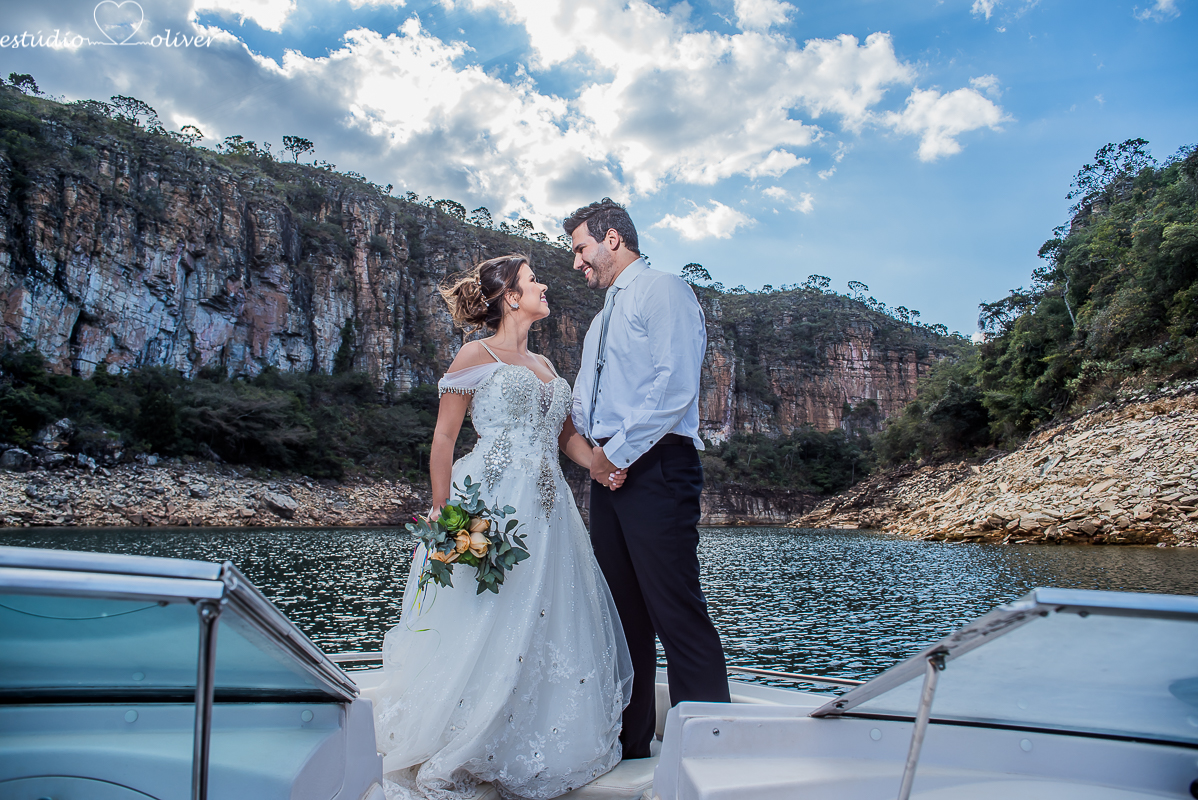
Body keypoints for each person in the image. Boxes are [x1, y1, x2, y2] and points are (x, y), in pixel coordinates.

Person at [364, 254, 633, 800]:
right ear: (511, 297)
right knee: (486, 611)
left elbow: (565, 437)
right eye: (533, 280)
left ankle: (526, 732)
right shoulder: (475, 354)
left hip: (550, 508)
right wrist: (442, 511)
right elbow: (444, 438)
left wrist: (601, 465)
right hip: (490, 497)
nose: (543, 285)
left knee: (545, 614)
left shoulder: (546, 364)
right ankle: (462, 733)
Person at [564, 198, 731, 761]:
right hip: (608, 475)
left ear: (612, 238)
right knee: (621, 618)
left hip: (657, 466)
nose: (577, 262)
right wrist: (593, 456)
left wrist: (616, 455)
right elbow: (585, 403)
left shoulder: (665, 290)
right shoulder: (597, 322)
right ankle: (630, 745)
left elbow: (675, 384)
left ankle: (707, 757)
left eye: (581, 249)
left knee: (675, 609)